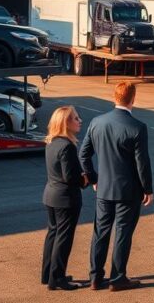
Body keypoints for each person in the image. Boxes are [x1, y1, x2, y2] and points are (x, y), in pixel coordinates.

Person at [79, 81, 154, 292]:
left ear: (114, 97)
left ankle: (95, 277)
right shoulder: (137, 127)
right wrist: (148, 189)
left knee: (100, 232)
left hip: (104, 189)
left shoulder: (97, 122)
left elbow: (83, 153)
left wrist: (93, 179)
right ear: (133, 99)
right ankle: (118, 277)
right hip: (128, 192)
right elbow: (142, 163)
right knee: (123, 233)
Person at [41, 106, 87, 291]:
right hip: (65, 199)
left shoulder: (51, 142)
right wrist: (85, 179)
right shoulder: (67, 146)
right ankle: (58, 278)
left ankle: (48, 275)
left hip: (51, 195)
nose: (80, 121)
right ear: (66, 123)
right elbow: (71, 177)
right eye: (76, 118)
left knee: (52, 234)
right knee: (64, 238)